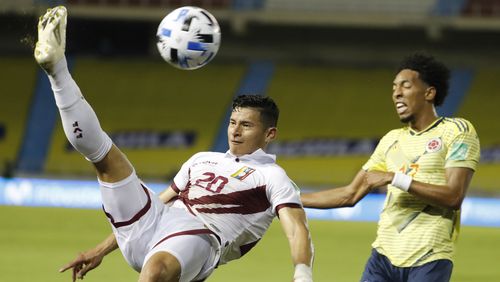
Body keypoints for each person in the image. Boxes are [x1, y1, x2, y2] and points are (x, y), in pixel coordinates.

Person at [35, 6, 314, 282]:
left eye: (247, 125)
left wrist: (302, 273)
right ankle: (57, 68)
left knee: (155, 271)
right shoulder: (201, 159)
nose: (236, 131)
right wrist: (99, 250)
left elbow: (295, 227)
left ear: (270, 134)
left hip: (203, 237)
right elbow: (161, 202)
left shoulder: (272, 176)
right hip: (154, 221)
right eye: (232, 123)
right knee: (104, 159)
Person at [301, 53, 480, 282]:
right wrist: (289, 197)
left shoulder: (456, 130)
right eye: (394, 87)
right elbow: (350, 194)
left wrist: (395, 178)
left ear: (429, 92)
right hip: (382, 258)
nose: (396, 93)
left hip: (429, 258)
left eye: (406, 86)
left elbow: (454, 196)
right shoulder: (391, 140)